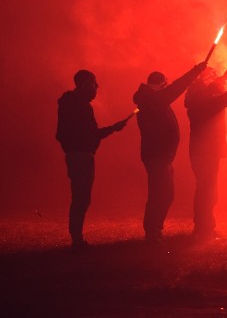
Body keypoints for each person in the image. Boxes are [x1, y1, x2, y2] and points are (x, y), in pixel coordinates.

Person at [133, 61, 207, 242]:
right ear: (160, 84)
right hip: (157, 155)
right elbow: (177, 87)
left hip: (161, 156)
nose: (167, 87)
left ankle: (154, 229)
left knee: (165, 193)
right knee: (160, 193)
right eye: (165, 84)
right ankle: (152, 231)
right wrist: (196, 71)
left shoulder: (151, 98)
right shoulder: (153, 98)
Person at [56, 70, 128, 251]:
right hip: (81, 155)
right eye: (93, 83)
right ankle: (77, 239)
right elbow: (90, 134)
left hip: (76, 154)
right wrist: (112, 129)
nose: (96, 87)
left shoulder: (69, 104)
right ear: (85, 83)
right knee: (81, 197)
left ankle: (76, 237)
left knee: (80, 197)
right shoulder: (80, 106)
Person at [184, 66, 227, 238]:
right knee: (207, 191)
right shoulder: (206, 104)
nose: (214, 80)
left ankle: (206, 227)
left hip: (205, 151)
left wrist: (224, 77)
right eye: (211, 77)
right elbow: (226, 98)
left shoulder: (198, 98)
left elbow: (215, 92)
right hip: (206, 152)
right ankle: (203, 229)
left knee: (208, 191)